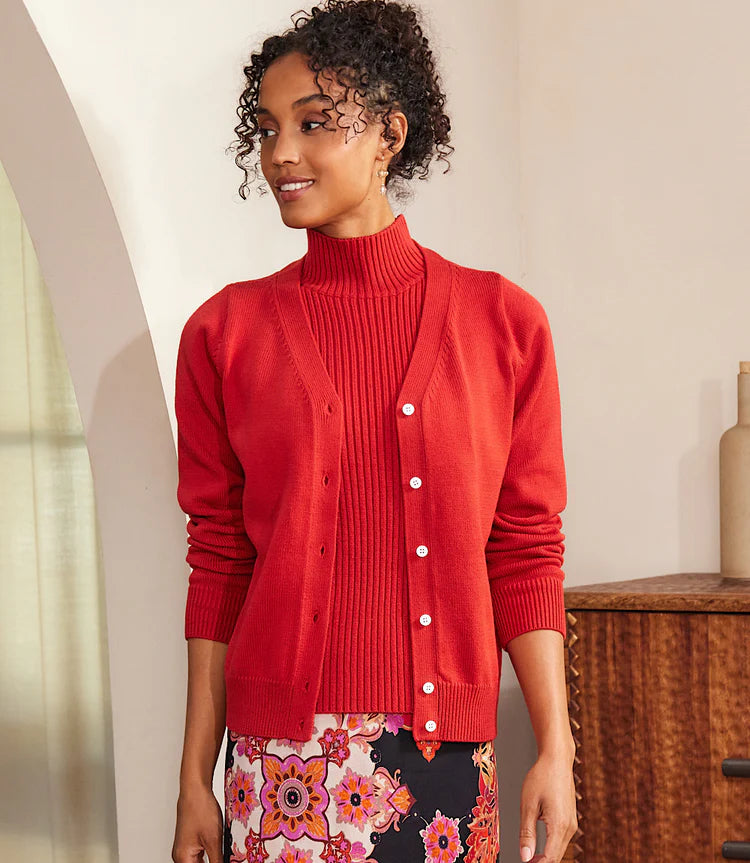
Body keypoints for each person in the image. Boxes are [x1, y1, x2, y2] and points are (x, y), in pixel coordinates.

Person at [171, 1, 577, 862]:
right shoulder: (224, 333)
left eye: (314, 124)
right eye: (268, 127)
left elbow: (524, 549)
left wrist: (556, 745)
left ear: (390, 133)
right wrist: (191, 779)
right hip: (278, 767)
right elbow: (219, 562)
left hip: (444, 760)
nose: (282, 152)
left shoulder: (503, 323)